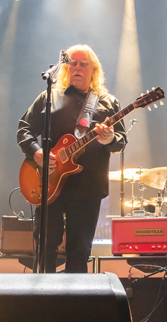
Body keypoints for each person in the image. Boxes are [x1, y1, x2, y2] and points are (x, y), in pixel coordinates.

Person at [17, 45, 126, 273]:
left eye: (83, 64)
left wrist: (109, 139)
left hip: (87, 187)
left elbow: (121, 142)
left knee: (79, 251)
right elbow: (24, 129)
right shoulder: (50, 97)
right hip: (48, 183)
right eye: (72, 63)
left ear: (93, 69)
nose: (77, 67)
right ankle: (42, 301)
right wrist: (37, 152)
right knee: (45, 247)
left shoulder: (107, 103)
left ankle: (74, 305)